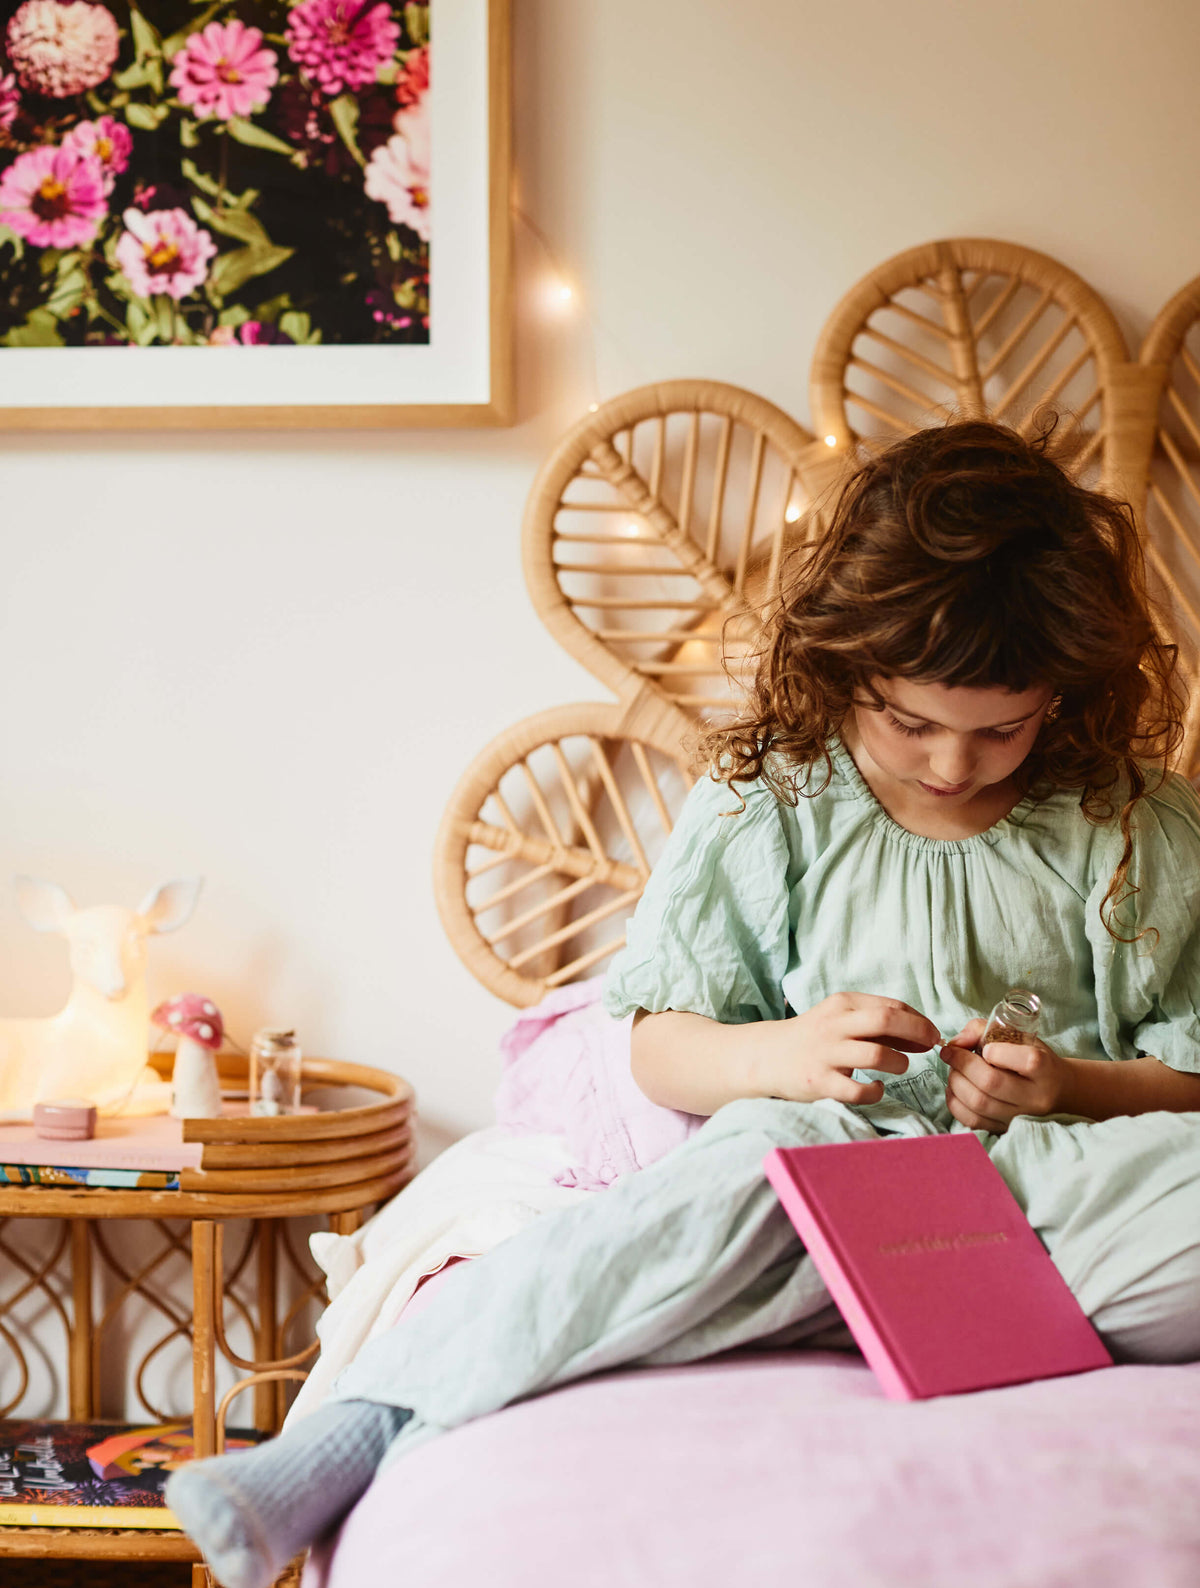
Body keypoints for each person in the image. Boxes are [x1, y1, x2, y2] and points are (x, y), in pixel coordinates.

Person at [167, 420, 1200, 1588]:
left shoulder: (1136, 825)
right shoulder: (772, 804)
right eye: (911, 723)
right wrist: (788, 1051)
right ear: (842, 665)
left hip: (1061, 1177)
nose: (953, 766)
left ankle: (800, 1303)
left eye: (1000, 731)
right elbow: (656, 1051)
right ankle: (354, 1431)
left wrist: (1067, 1083)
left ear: (1065, 696)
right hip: (828, 1163)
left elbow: (1188, 1072)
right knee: (698, 1204)